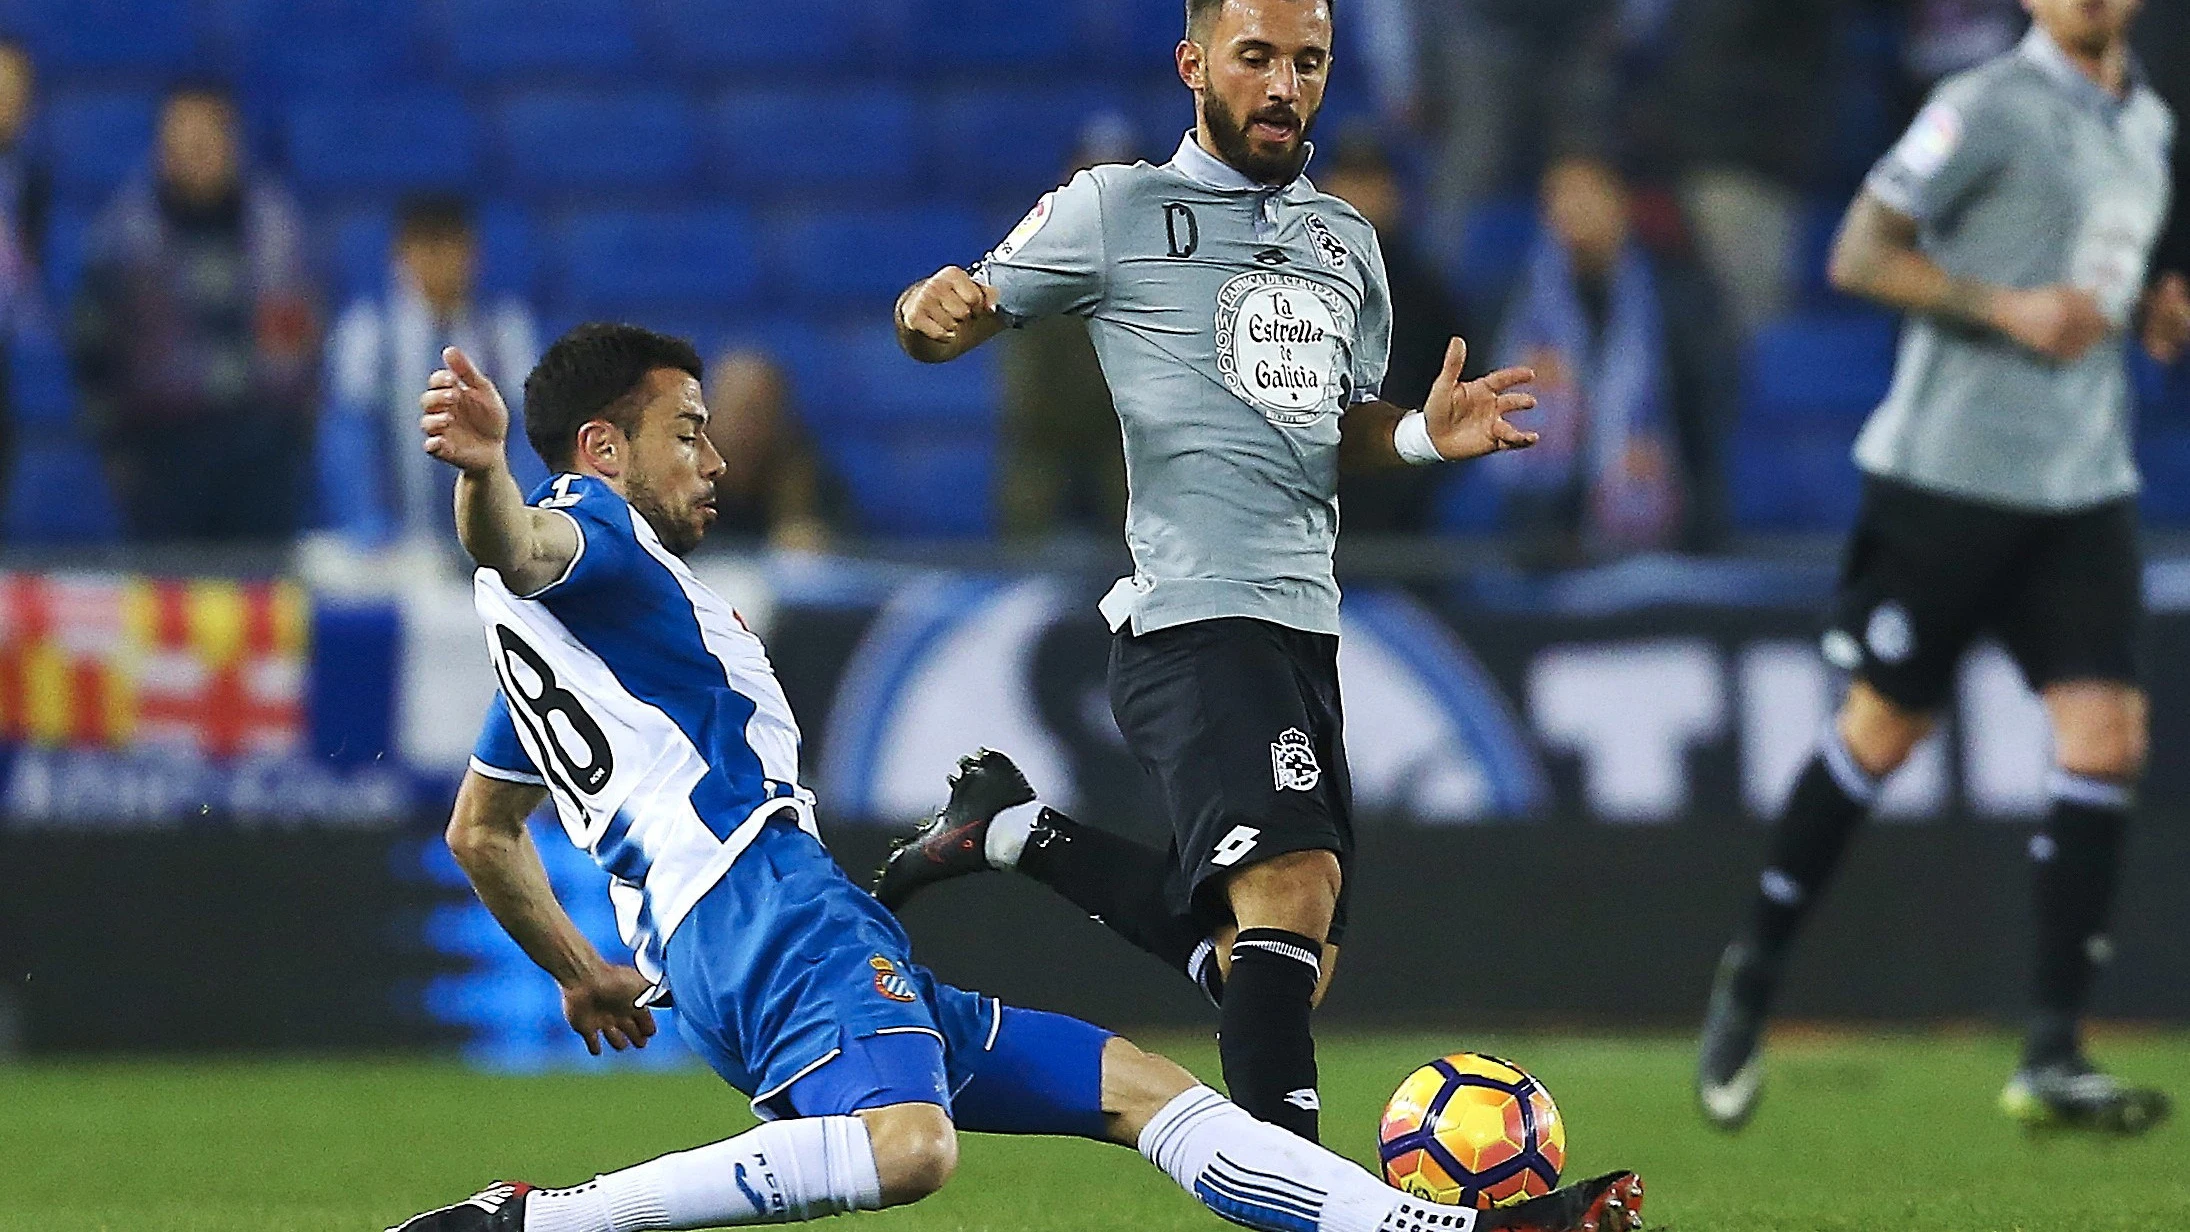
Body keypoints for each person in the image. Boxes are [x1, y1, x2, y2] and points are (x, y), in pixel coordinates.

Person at [387, 324, 1642, 1232]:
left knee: (1145, 1090)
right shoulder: (589, 527)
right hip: (767, 909)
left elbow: (481, 829)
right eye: (689, 432)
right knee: (911, 1147)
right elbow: (521, 539)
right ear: (603, 447)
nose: (714, 460)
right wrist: (487, 477)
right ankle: (543, 1221)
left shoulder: (571, 648)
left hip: (741, 938)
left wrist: (584, 969)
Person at [879, 0, 1541, 1146]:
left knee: (1278, 960)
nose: (1284, 86)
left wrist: (1427, 436)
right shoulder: (1117, 208)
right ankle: (1306, 1194)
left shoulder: (1347, 243)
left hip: (1304, 620)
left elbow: (1341, 427)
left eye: (1309, 63)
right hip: (1195, 610)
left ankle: (1014, 832)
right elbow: (954, 317)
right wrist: (924, 310)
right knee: (1293, 886)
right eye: (1257, 58)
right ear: (1194, 64)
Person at [1696, 0, 2186, 1136]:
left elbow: (2109, 267)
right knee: (1883, 732)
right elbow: (1860, 251)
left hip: (2082, 484)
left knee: (2107, 740)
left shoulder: (2147, 124)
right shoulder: (1981, 106)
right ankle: (1752, 976)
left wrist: (2154, 304)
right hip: (1949, 480)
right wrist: (2001, 304)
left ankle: (2054, 1050)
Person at [71, 82, 317, 543]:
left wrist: (293, 426)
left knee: (260, 604)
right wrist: (114, 446)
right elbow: (91, 349)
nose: (196, 150)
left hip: (262, 451)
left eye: (209, 136)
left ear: (233, 142)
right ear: (162, 146)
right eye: (182, 137)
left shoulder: (278, 231)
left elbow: (303, 340)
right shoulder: (122, 238)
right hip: (162, 453)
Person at [1488, 154, 1734, 562]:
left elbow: (1705, 414)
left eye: (1586, 193)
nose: (1572, 208)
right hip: (1539, 540)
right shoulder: (1516, 305)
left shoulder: (1675, 296)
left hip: (1664, 532)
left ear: (1620, 203)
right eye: (1558, 197)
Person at [319, 194, 544, 553]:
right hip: (391, 549)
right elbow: (350, 438)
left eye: (451, 249)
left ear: (473, 256)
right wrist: (365, 523)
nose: (439, 264)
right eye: (426, 250)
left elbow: (530, 436)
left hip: (489, 543)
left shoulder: (503, 333)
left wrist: (520, 517)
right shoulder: (368, 333)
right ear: (401, 257)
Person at [1320, 128, 1475, 534]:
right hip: (1305, 501)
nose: (1359, 197)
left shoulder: (1427, 295)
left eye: (1371, 182)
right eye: (1348, 181)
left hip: (1402, 503)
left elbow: (1454, 402)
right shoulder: (1289, 278)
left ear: (1396, 193)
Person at [702, 347, 838, 552]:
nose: (743, 428)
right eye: (733, 412)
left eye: (756, 414)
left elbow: (834, 550)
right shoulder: (678, 476)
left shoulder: (804, 474)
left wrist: (807, 539)